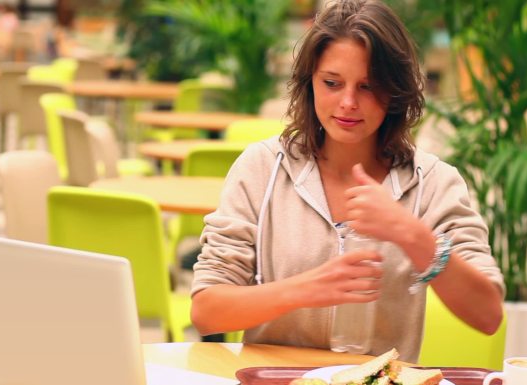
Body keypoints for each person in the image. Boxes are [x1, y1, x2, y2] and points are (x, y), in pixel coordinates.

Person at [190, 0, 504, 363]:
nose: (348, 102)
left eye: (368, 86)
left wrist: (412, 235)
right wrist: (310, 288)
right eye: (332, 83)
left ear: (395, 92)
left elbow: (488, 316)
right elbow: (207, 309)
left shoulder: (434, 183)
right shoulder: (262, 167)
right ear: (309, 84)